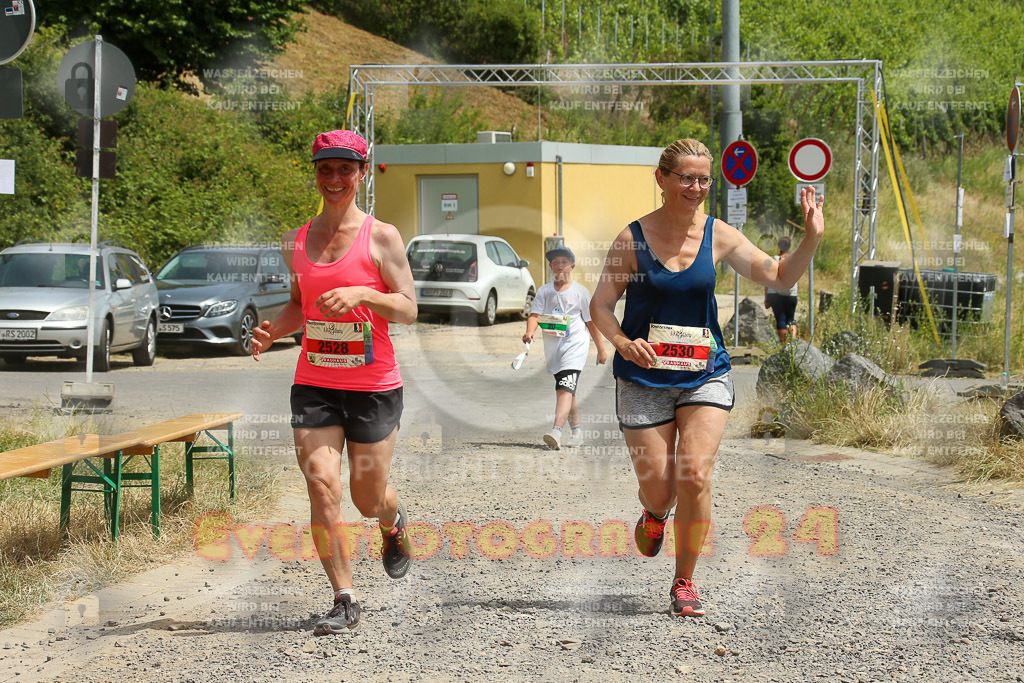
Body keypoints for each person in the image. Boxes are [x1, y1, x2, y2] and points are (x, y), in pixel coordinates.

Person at [590, 138, 823, 617]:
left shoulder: (719, 235)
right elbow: (601, 305)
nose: (695, 187)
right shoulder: (631, 239)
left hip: (704, 373)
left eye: (703, 179)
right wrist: (622, 342)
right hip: (644, 378)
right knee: (662, 489)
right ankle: (654, 513)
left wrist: (811, 238)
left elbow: (780, 276)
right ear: (661, 178)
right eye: (685, 178)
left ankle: (684, 582)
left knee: (694, 474)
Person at [250, 129, 418, 634]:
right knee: (322, 485)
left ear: (362, 173)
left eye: (346, 168)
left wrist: (362, 294)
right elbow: (300, 305)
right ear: (316, 174)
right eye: (325, 168)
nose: (335, 177)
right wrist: (273, 331)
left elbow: (408, 308)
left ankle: (391, 520)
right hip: (315, 383)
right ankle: (344, 598)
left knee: (367, 499)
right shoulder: (295, 241)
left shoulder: (382, 237)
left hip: (373, 386)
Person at [522, 246, 608, 449]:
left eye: (564, 262)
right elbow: (535, 315)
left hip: (575, 347)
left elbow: (590, 322)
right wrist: (530, 331)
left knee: (563, 388)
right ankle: (577, 433)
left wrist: (601, 348)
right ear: (551, 266)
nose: (560, 266)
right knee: (569, 391)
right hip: (554, 349)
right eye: (556, 262)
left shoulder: (580, 292)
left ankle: (556, 431)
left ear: (572, 266)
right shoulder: (544, 291)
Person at [763, 235, 799, 343]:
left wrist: (766, 297)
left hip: (774, 293)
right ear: (789, 246)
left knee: (781, 319)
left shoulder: (772, 260)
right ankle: (793, 343)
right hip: (791, 293)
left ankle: (784, 345)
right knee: (791, 318)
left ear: (778, 246)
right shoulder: (794, 260)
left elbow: (767, 279)